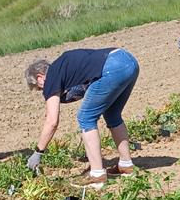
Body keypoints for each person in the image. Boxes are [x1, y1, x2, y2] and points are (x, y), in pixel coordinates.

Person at [24, 48, 140, 188]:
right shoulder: (63, 67)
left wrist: (38, 151)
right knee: (112, 114)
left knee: (86, 117)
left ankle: (97, 174)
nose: (43, 91)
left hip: (112, 68)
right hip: (127, 60)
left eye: (39, 88)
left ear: (40, 77)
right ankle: (126, 166)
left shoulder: (52, 77)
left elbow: (52, 121)